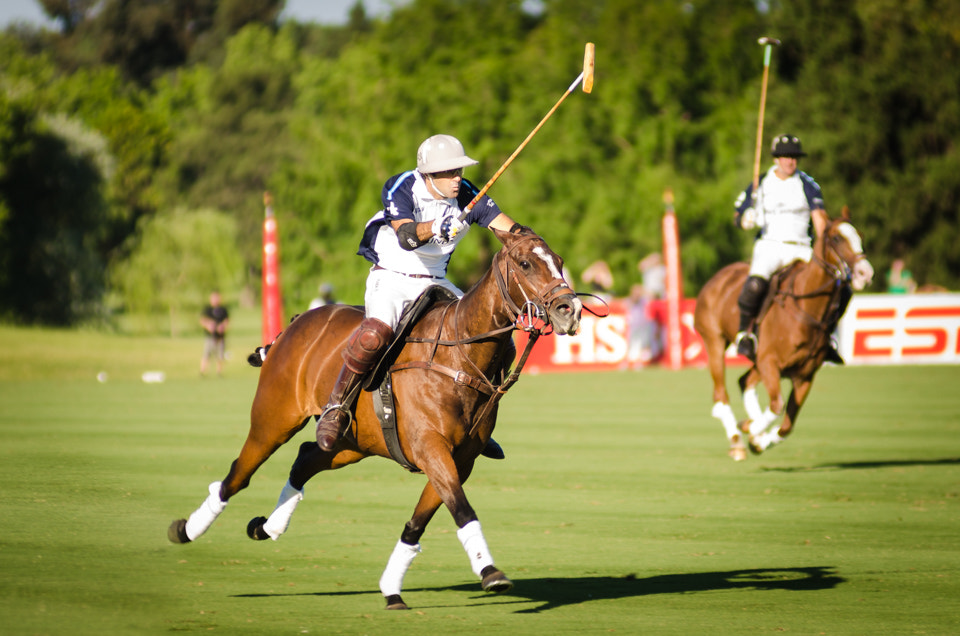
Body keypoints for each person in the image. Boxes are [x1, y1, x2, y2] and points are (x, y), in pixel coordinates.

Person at [315, 134, 522, 453]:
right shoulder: (402, 187)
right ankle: (336, 407)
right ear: (429, 174)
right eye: (450, 173)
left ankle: (479, 420)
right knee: (374, 335)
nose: (458, 179)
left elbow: (510, 231)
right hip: (393, 276)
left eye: (460, 172)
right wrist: (436, 226)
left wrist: (533, 247)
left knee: (500, 341)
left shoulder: (468, 195)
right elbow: (406, 236)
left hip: (435, 280)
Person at [733, 134, 844, 364]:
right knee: (754, 284)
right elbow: (737, 215)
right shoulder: (760, 183)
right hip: (770, 245)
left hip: (801, 247)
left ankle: (827, 337)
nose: (790, 161)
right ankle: (745, 334)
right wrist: (746, 219)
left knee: (837, 287)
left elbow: (820, 220)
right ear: (775, 159)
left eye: (794, 157)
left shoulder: (808, 184)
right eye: (785, 156)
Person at [200, 291, 229, 376]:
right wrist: (209, 325)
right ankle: (202, 371)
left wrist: (222, 326)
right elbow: (202, 320)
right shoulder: (208, 309)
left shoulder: (223, 309)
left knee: (220, 355)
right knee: (207, 354)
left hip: (220, 336)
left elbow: (227, 320)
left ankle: (219, 372)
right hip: (210, 337)